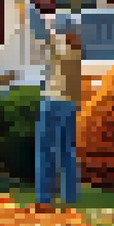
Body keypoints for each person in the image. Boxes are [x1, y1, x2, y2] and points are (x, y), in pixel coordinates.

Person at [34, 12, 83, 209]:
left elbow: (42, 32)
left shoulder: (61, 46)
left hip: (54, 100)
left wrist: (29, 6)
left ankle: (44, 198)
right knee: (67, 150)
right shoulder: (77, 51)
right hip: (71, 103)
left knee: (45, 149)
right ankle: (70, 196)